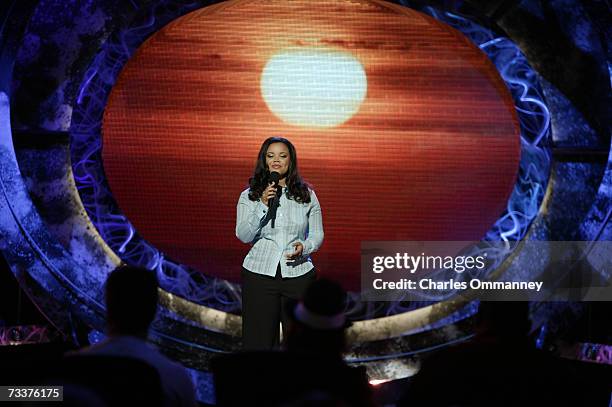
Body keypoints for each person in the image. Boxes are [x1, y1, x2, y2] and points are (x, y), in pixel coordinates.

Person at [236, 137, 324, 350]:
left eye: (282, 156)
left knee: (303, 345)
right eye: (271, 155)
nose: (276, 160)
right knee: (259, 345)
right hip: (259, 274)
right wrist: (263, 205)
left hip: (298, 274)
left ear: (290, 161)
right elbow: (244, 236)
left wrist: (306, 247)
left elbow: (317, 235)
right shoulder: (250, 195)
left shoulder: (307, 196)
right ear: (264, 160)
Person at [74, 265, 197, 407]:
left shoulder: (71, 368)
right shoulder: (176, 378)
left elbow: (43, 396)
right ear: (153, 312)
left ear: (108, 303)